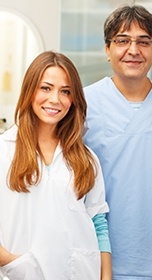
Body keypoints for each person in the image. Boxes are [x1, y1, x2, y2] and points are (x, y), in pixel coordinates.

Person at [82, 4, 152, 279]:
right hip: (96, 258)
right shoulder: (83, 105)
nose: (133, 50)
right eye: (122, 41)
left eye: (143, 42)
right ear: (107, 50)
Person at [0, 51, 112, 279]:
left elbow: (99, 223)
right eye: (46, 88)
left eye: (65, 92)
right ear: (30, 90)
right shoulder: (4, 150)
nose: (55, 99)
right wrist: (14, 264)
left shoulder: (86, 159)